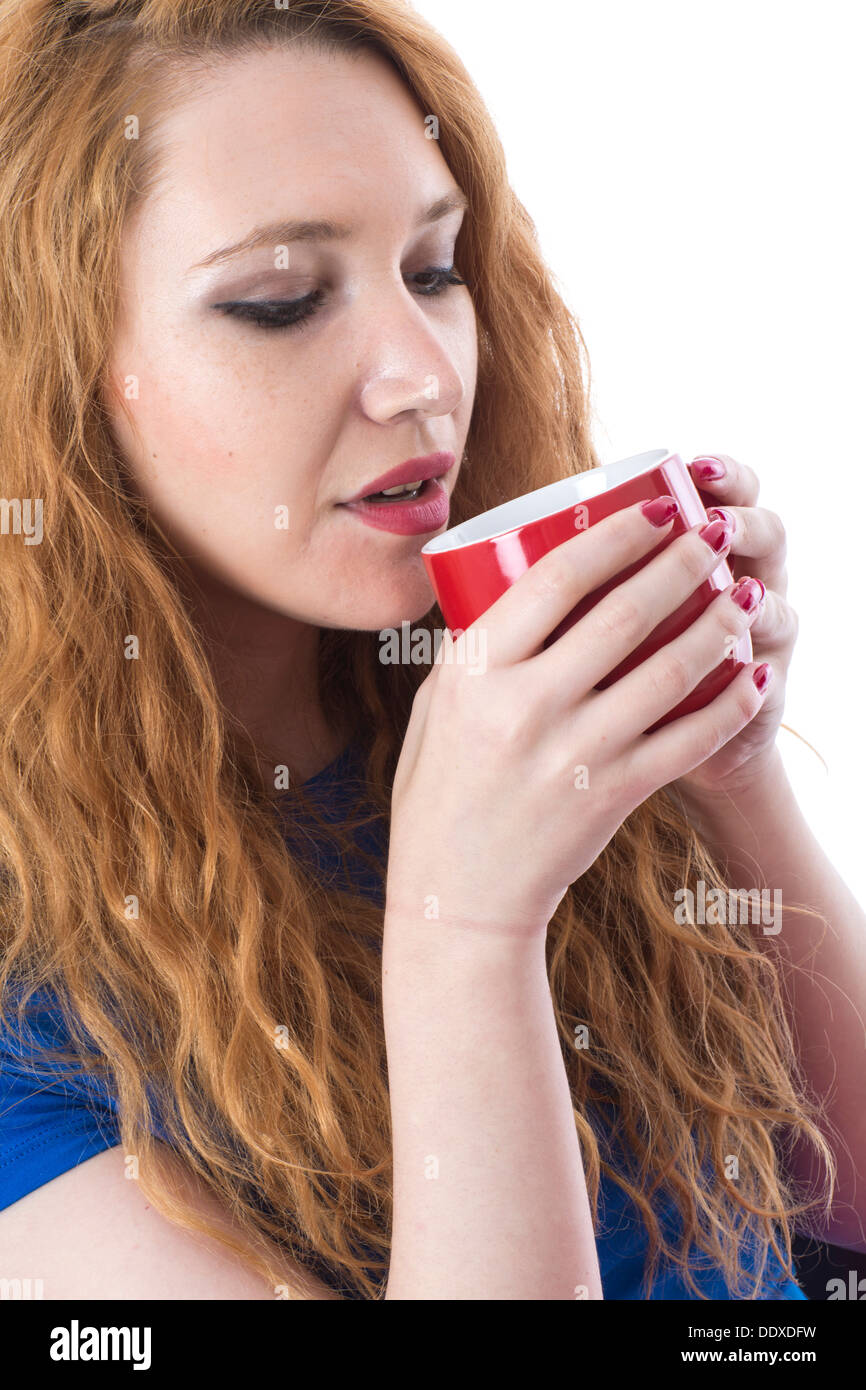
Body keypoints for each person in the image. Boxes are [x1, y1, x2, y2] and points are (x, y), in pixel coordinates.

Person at [0, 0, 862, 1301]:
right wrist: (464, 931)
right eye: (280, 301)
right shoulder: (34, 960)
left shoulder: (508, 707)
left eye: (435, 269)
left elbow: (839, 1205)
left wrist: (731, 775)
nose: (420, 375)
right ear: (50, 374)